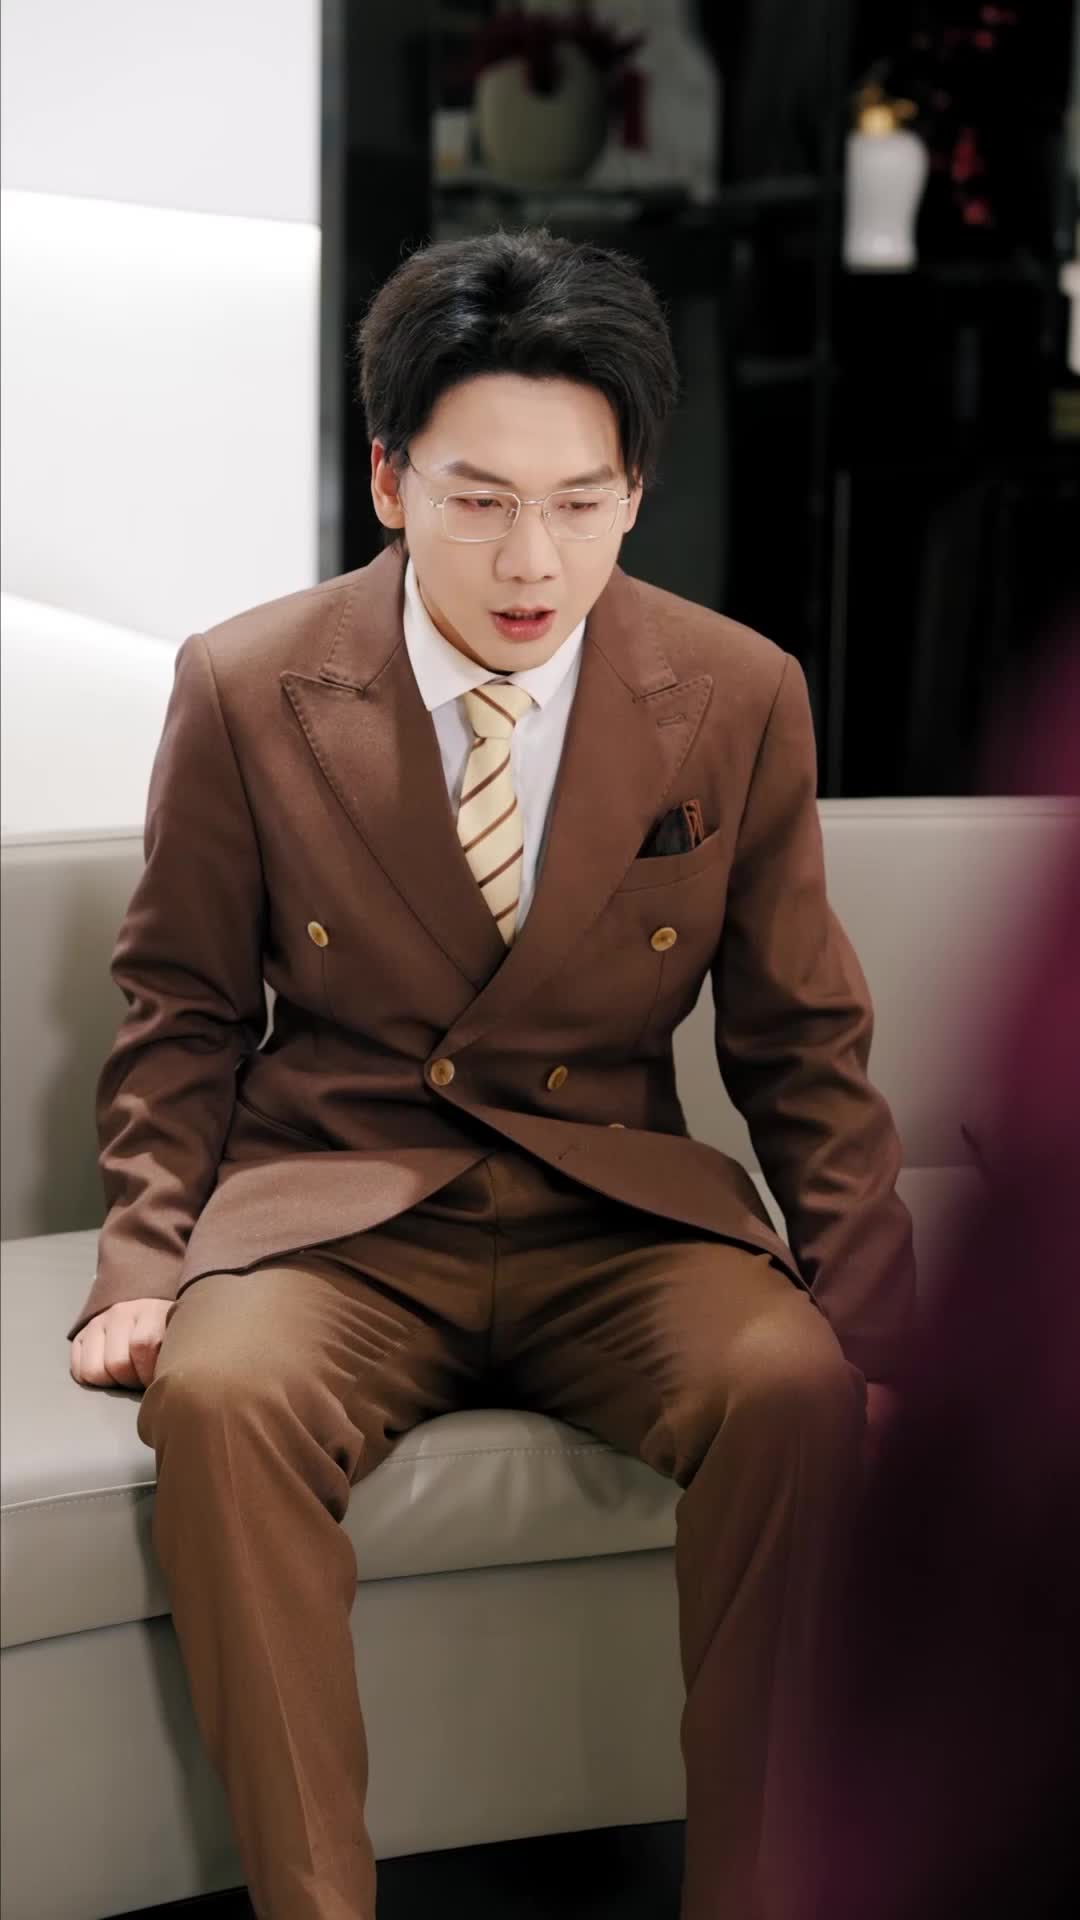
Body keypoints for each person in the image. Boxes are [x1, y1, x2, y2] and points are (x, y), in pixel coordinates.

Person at [66, 228, 915, 1920]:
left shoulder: (737, 691)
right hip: (340, 1214)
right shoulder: (245, 682)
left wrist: (880, 1325)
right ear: (390, 479)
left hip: (619, 1213)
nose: (535, 558)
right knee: (219, 1400)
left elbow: (799, 1037)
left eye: (582, 501)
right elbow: (181, 1007)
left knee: (796, 1391)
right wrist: (144, 1262)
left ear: (635, 491)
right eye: (480, 500)